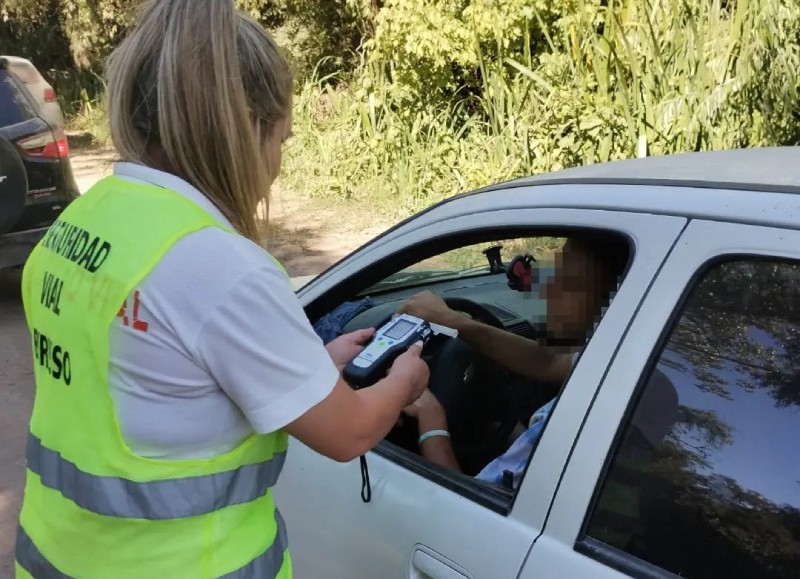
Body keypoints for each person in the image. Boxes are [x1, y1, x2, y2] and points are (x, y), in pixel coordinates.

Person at [14, 2, 428, 578]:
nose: (278, 164)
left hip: (59, 559)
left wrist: (314, 367)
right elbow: (350, 432)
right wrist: (408, 378)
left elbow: (152, 381)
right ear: (244, 129)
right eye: (281, 138)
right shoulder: (221, 267)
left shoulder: (87, 221)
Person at [397, 234, 636, 487]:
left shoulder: (566, 435)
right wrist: (455, 322)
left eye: (569, 282)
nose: (546, 287)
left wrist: (430, 415)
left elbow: (467, 507)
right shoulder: (619, 363)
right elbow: (551, 362)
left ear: (617, 305)